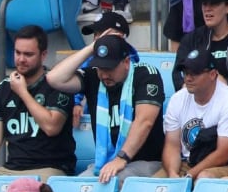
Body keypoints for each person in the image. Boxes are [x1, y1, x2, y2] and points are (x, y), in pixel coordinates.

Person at [45, 34, 165, 183]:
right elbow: (54, 79)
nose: (104, 74)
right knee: (80, 186)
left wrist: (122, 158)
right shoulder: (93, 77)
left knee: (114, 181)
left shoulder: (145, 74)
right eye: (100, 68)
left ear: (126, 62)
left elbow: (144, 121)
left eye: (110, 68)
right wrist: (91, 47)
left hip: (147, 162)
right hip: (105, 164)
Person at [0, 27, 75, 185]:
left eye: (28, 54)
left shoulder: (57, 84)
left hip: (49, 169)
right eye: (18, 53)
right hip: (12, 170)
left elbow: (51, 127)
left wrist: (23, 93)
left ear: (43, 55)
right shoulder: (3, 88)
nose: (21, 59)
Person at [161, 47, 228, 181]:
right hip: (186, 163)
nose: (188, 78)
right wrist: (173, 174)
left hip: (224, 165)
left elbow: (223, 154)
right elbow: (172, 145)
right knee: (155, 185)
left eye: (194, 73)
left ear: (212, 74)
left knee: (204, 178)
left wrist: (190, 175)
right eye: (185, 73)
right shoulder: (177, 99)